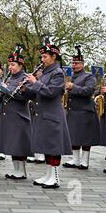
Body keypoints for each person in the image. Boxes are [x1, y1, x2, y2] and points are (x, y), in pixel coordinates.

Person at [25, 38, 72, 188]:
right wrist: (25, 89)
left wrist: (35, 82)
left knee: (54, 147)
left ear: (54, 57)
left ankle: (55, 177)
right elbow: (38, 93)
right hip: (43, 114)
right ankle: (48, 175)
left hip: (52, 115)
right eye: (42, 57)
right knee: (46, 146)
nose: (42, 59)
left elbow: (51, 92)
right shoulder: (45, 73)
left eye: (45, 57)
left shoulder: (58, 73)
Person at [0, 44, 35, 179]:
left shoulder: (24, 78)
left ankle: (21, 171)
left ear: (20, 65)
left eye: (13, 65)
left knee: (19, 144)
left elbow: (27, 96)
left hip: (19, 114)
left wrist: (9, 90)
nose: (11, 67)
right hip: (9, 114)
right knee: (13, 144)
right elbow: (4, 94)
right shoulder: (9, 78)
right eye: (10, 64)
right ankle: (16, 169)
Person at [62, 46, 100, 170]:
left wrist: (73, 87)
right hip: (73, 110)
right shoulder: (72, 76)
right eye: (73, 63)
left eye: (77, 63)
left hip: (85, 110)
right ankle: (75, 160)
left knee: (85, 138)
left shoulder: (89, 77)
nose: (74, 65)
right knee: (74, 136)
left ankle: (85, 161)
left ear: (83, 64)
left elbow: (89, 91)